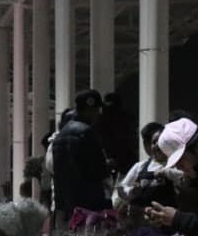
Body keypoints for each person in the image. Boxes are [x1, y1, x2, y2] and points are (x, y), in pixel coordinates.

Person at [50, 90, 113, 221]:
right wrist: (107, 167)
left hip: (68, 202)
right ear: (90, 109)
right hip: (88, 202)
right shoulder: (86, 132)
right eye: (97, 109)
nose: (98, 114)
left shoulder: (60, 135)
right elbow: (97, 169)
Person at [113, 122, 166, 209]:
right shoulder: (140, 166)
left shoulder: (176, 164)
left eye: (160, 141)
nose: (157, 145)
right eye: (154, 142)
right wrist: (132, 191)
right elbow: (122, 188)